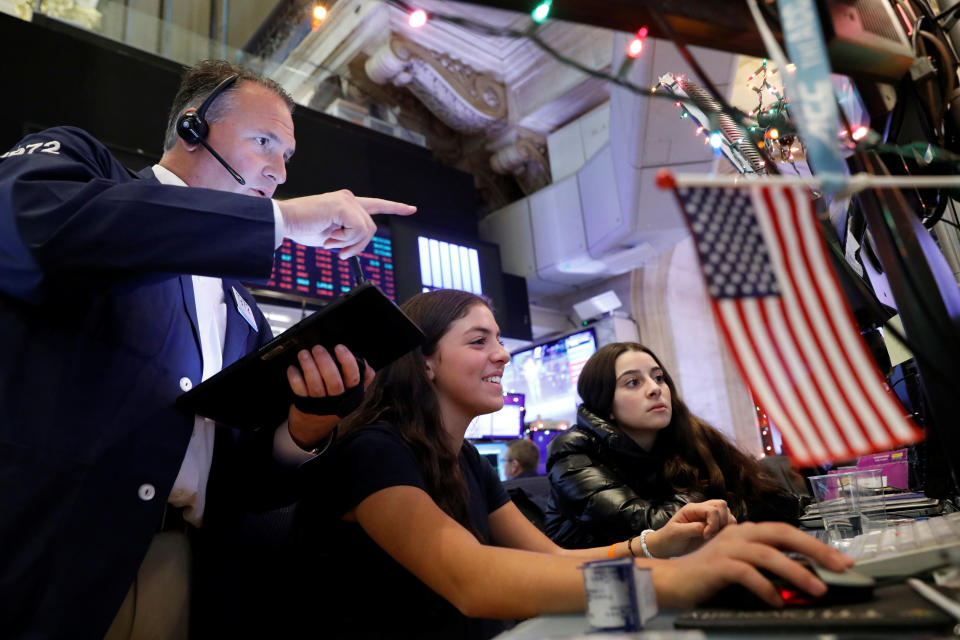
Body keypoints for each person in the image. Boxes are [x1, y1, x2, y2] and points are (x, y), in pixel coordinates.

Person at [0, 60, 414, 639]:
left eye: (287, 156)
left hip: (184, 562)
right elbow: (39, 230)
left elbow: (241, 476)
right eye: (264, 141)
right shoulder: (83, 167)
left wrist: (306, 423)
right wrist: (281, 221)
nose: (278, 171)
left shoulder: (241, 308)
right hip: (47, 546)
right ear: (192, 128)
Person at [287, 290, 852, 639]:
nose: (503, 354)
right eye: (479, 340)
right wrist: (675, 580)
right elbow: (472, 581)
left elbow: (554, 560)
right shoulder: (374, 450)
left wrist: (656, 545)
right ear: (425, 362)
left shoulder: (461, 458)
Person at [544, 342, 804, 549]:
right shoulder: (572, 450)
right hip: (594, 591)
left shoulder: (690, 433)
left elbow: (764, 496)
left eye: (658, 378)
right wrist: (724, 499)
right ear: (605, 404)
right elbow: (650, 529)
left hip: (679, 572)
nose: (655, 389)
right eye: (633, 382)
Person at [502, 439, 551, 530]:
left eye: (504, 461)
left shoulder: (507, 492)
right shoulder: (550, 483)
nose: (503, 465)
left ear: (514, 465)